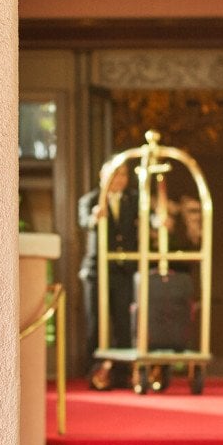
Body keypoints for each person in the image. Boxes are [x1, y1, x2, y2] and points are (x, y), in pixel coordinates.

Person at [78, 162, 138, 389]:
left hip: (124, 270)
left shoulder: (134, 199)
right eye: (114, 174)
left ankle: (123, 373)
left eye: (123, 174)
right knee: (96, 321)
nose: (118, 179)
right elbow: (85, 221)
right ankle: (96, 371)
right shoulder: (90, 200)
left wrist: (159, 222)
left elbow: (150, 217)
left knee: (124, 323)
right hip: (97, 271)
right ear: (102, 177)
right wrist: (95, 217)